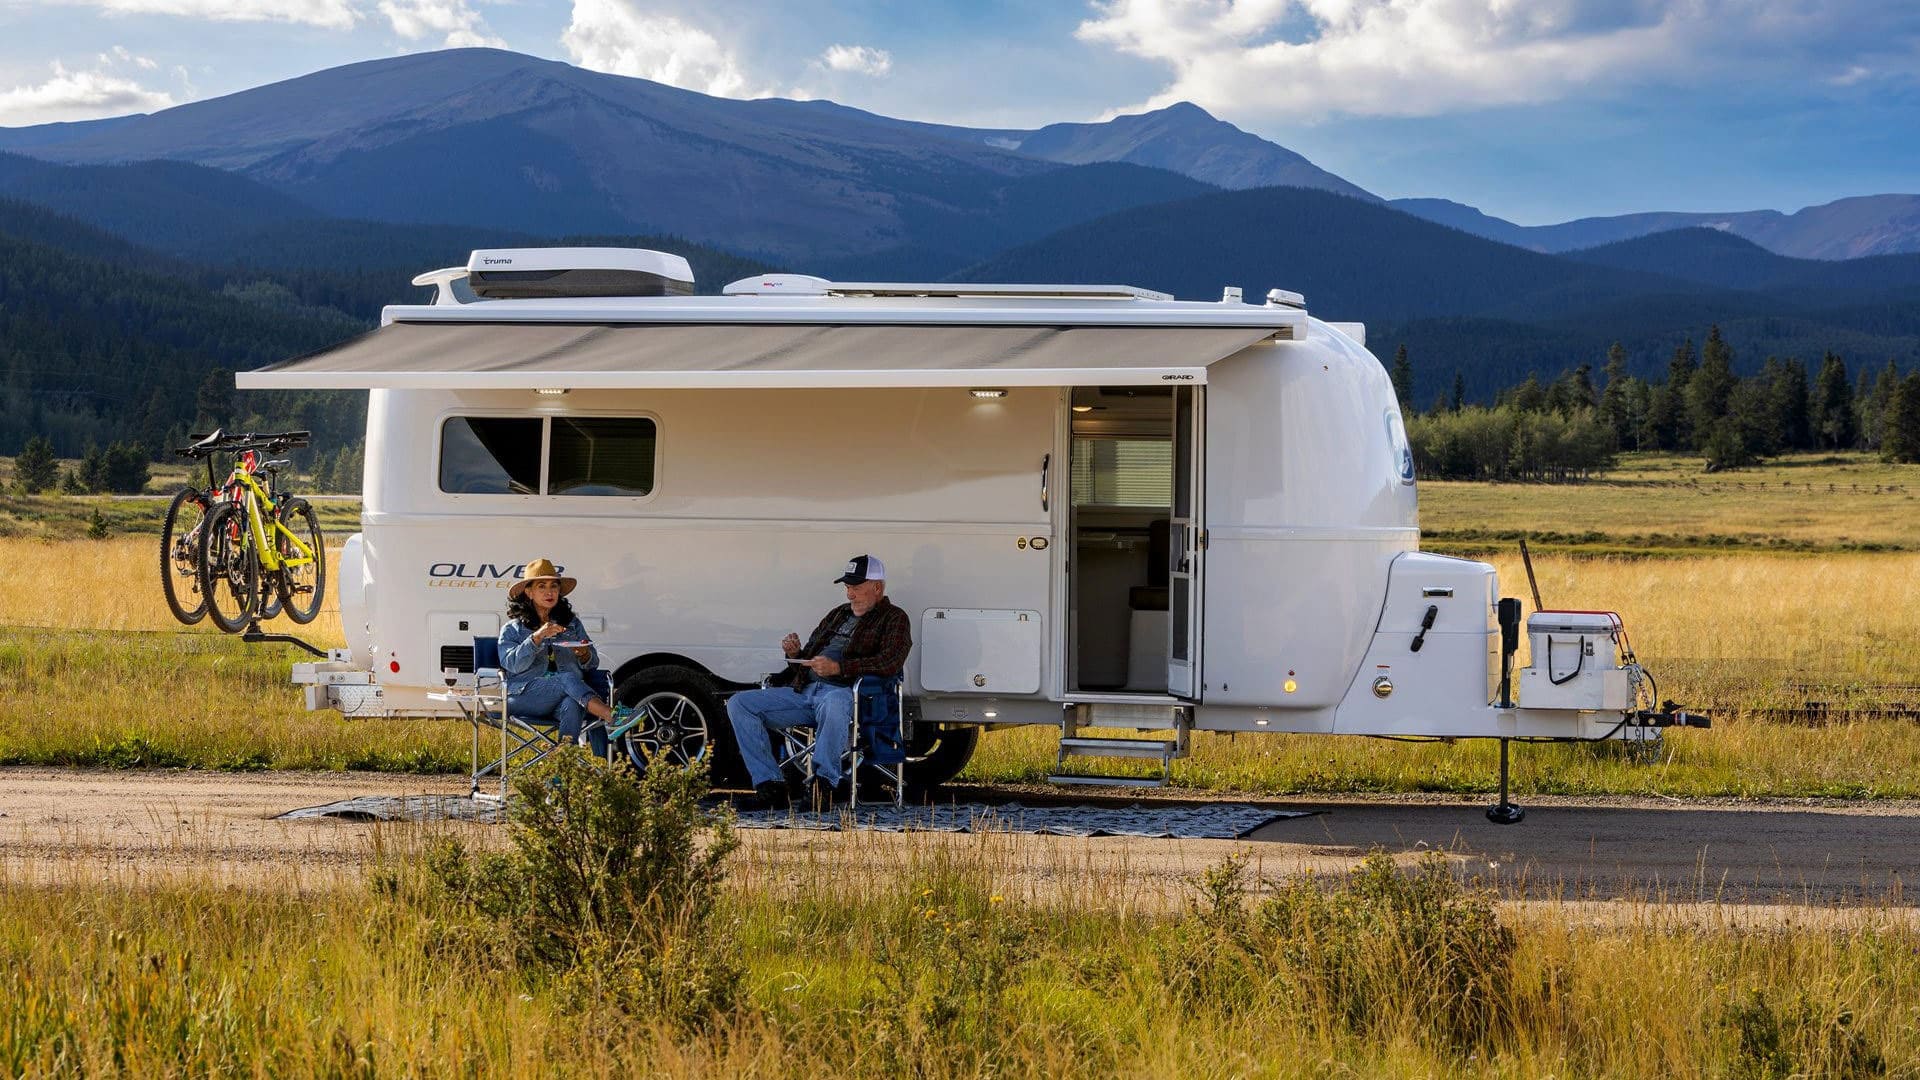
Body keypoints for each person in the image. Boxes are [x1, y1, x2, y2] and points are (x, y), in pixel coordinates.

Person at [727, 554, 911, 809]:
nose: (850, 594)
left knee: (834, 702)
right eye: (847, 587)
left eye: (856, 587)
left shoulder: (894, 618)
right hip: (806, 690)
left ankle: (822, 787)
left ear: (877, 587)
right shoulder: (838, 614)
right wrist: (795, 655)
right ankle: (770, 786)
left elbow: (889, 662)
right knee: (740, 704)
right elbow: (812, 654)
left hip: (849, 693)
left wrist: (839, 667)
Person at [498, 557, 617, 755]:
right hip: (524, 696)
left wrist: (585, 654)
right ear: (529, 592)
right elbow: (512, 665)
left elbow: (592, 663)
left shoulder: (571, 624)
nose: (549, 592)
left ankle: (561, 770)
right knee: (568, 679)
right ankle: (611, 716)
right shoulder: (512, 629)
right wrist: (536, 637)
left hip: (566, 696)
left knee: (573, 704)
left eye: (554, 586)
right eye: (542, 586)